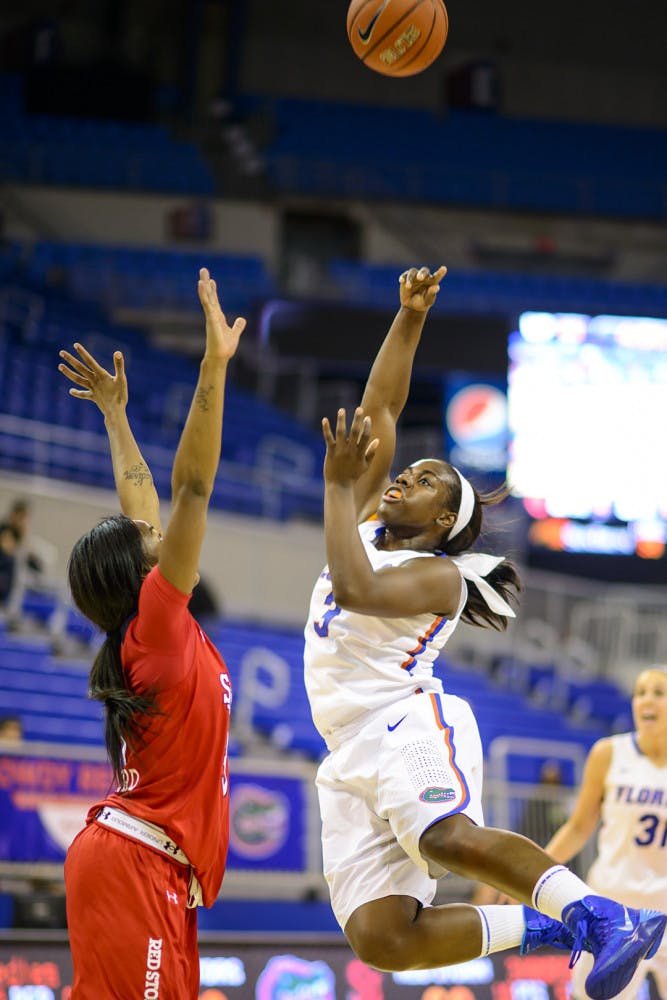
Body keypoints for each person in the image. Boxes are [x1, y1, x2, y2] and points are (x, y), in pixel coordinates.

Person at [303, 265, 666, 1000]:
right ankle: (563, 925)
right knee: (383, 940)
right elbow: (381, 405)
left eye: (427, 479)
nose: (403, 475)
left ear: (443, 524)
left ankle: (598, 915)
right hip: (346, 747)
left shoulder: (441, 578)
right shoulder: (369, 519)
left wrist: (340, 488)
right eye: (408, 469)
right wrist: (408, 317)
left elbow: (355, 588)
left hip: (401, 721)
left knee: (445, 837)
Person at [56, 268, 245, 999]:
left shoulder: (148, 630)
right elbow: (191, 486)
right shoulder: (159, 627)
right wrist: (213, 367)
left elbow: (140, 496)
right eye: (146, 539)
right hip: (135, 867)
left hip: (149, 869)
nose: (154, 529)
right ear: (141, 577)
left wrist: (114, 414)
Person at [543, 665, 667, 1000]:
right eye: (640, 693)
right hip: (615, 911)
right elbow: (579, 826)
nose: (646, 701)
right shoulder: (609, 753)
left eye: (658, 692)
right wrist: (533, 874)